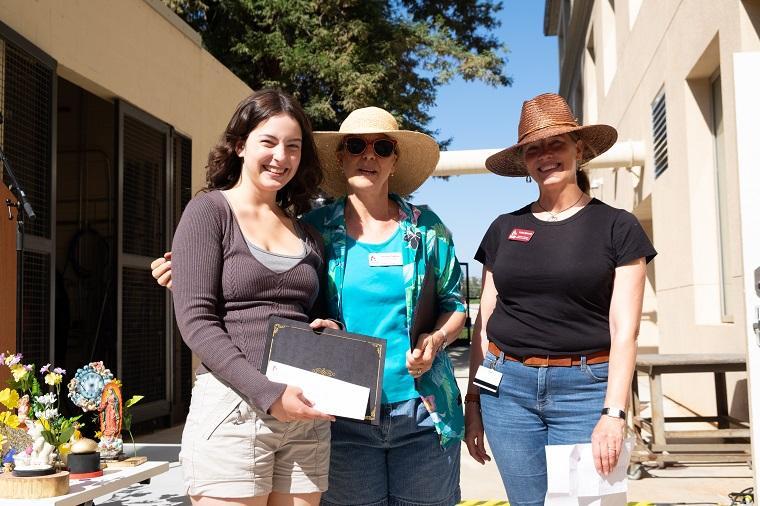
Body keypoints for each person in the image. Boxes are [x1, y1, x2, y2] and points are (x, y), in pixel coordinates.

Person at [153, 106, 467, 506]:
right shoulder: (315, 227)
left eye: (382, 146)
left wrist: (435, 338)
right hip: (338, 412)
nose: (368, 155)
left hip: (419, 409)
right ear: (341, 156)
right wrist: (187, 267)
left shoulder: (424, 230)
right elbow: (234, 295)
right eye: (356, 145)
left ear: (395, 159)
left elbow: (454, 302)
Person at [463, 93, 657, 506]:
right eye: (534, 148)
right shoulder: (503, 228)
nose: (545, 155)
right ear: (524, 162)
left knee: (586, 504)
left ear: (579, 149)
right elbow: (485, 319)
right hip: (506, 391)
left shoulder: (617, 227)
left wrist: (614, 412)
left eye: (556, 144)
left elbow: (626, 330)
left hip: (586, 390)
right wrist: (474, 401)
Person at [169, 89, 334, 506]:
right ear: (241, 145)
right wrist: (267, 393)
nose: (282, 157)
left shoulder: (308, 234)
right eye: (269, 142)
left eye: (293, 147)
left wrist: (331, 330)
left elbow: (319, 314)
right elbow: (197, 322)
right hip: (233, 405)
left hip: (304, 409)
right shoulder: (209, 212)